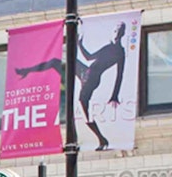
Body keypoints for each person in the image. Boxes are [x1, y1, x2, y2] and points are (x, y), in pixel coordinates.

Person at [15, 22, 127, 151]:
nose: (116, 33)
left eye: (119, 31)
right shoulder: (108, 46)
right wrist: (79, 43)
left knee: (84, 107)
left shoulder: (120, 52)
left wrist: (114, 95)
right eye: (115, 30)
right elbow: (88, 57)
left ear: (122, 33)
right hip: (86, 71)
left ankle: (101, 138)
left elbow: (120, 74)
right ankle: (25, 70)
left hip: (93, 78)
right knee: (55, 62)